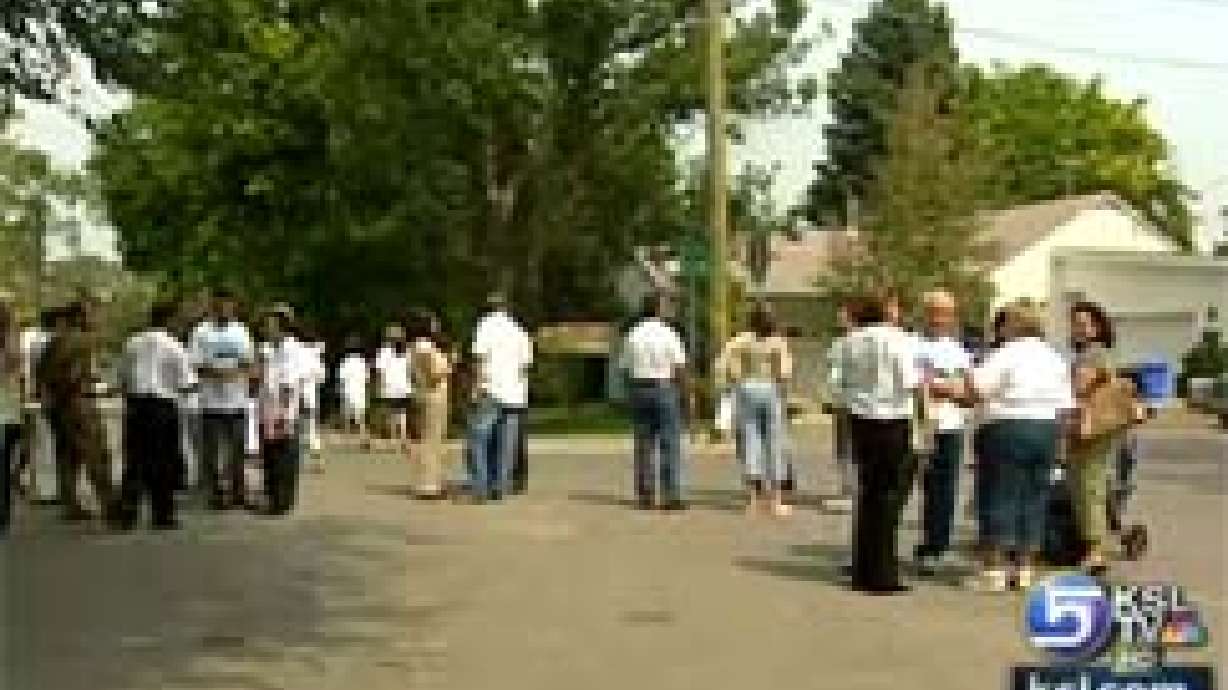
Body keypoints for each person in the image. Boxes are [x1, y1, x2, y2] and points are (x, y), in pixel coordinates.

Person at [968, 299, 1074, 592]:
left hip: (1008, 426)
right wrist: (1061, 444)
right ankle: (1025, 568)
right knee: (1034, 498)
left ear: (1012, 325)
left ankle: (995, 570)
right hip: (1046, 429)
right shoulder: (1054, 358)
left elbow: (976, 388)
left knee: (1000, 495)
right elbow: (1066, 405)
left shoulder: (1006, 353)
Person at [115, 301, 196, 530]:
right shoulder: (174, 346)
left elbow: (122, 376)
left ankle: (127, 512)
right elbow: (187, 383)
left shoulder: (132, 343)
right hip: (162, 405)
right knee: (164, 460)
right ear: (170, 320)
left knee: (135, 459)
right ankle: (162, 514)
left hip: (137, 404)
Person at [1068, 300, 1135, 572]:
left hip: (1094, 428)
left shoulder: (1093, 354)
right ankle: (1110, 537)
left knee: (1088, 485)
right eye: (1075, 324)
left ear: (1097, 328)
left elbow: (1082, 387)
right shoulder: (1096, 353)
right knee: (1094, 484)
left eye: (1083, 324)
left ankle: (1096, 550)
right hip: (1104, 428)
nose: (1078, 329)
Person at [910, 290, 973, 576]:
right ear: (924, 314)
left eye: (945, 313)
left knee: (943, 491)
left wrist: (937, 385)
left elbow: (966, 391)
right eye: (934, 312)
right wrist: (943, 385)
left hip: (950, 426)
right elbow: (913, 383)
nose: (939, 319)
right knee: (910, 488)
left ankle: (935, 548)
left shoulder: (958, 350)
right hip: (916, 425)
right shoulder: (912, 344)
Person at [37, 301, 117, 524]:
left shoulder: (56, 341)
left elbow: (44, 373)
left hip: (59, 405)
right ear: (80, 318)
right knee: (97, 453)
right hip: (77, 403)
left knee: (68, 456)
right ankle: (109, 505)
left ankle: (71, 505)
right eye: (93, 314)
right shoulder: (80, 340)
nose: (97, 318)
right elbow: (73, 374)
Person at [717, 302, 793, 517]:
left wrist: (734, 378)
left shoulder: (742, 340)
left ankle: (753, 500)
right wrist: (783, 389)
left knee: (750, 441)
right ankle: (776, 500)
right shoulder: (777, 341)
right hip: (770, 387)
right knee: (775, 442)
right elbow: (784, 372)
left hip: (747, 387)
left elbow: (725, 360)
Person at [620, 294, 688, 511]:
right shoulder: (668, 333)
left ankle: (645, 494)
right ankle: (671, 494)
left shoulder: (633, 334)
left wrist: (629, 392)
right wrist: (686, 394)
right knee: (670, 442)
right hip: (664, 387)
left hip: (639, 387)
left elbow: (625, 368)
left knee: (643, 443)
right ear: (658, 309)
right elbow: (679, 367)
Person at [190, 290, 255, 510]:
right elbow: (195, 364)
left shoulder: (241, 330)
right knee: (211, 453)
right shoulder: (201, 331)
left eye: (228, 305)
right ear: (213, 306)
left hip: (237, 402)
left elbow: (248, 361)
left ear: (234, 307)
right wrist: (217, 374)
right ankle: (215, 495)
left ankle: (238, 493)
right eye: (220, 305)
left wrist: (238, 373)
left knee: (237, 451)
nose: (224, 309)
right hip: (210, 403)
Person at [465, 292, 532, 502]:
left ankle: (481, 485)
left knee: (479, 438)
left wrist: (476, 386)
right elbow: (525, 366)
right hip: (515, 393)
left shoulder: (484, 326)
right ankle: (500, 485)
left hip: (491, 388)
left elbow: (479, 358)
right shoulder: (519, 330)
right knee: (506, 443)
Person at [256, 305, 309, 516]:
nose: (266, 328)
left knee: (283, 456)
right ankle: (274, 497)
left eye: (270, 324)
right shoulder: (273, 349)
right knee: (270, 454)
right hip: (269, 407)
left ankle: (281, 501)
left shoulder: (291, 349)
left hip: (282, 409)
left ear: (282, 326)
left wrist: (283, 413)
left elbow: (289, 383)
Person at [410, 311, 453, 499]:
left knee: (430, 438)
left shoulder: (416, 346)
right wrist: (448, 367)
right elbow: (432, 374)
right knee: (432, 439)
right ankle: (429, 484)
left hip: (425, 394)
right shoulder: (425, 347)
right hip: (434, 394)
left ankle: (431, 481)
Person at [824, 301, 856, 512]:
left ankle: (852, 492)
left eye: (844, 316)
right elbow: (833, 373)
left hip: (855, 401)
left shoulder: (858, 343)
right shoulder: (838, 343)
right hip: (842, 401)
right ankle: (847, 489)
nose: (840, 320)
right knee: (843, 446)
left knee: (852, 447)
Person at [1, 297, 22, 534]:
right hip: (6, 414)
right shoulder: (11, 349)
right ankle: (3, 514)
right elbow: (14, 364)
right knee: (4, 466)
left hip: (6, 413)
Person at [374, 324, 412, 451]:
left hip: (390, 386)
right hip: (404, 386)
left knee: (392, 414)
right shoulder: (406, 351)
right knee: (402, 413)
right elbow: (410, 369)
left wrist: (379, 384)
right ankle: (403, 438)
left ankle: (394, 440)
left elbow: (380, 370)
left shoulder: (384, 351)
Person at [337, 336, 370, 447]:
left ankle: (347, 440)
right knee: (360, 418)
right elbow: (367, 379)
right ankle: (363, 438)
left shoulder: (344, 362)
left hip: (347, 391)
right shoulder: (363, 362)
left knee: (346, 418)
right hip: (359, 392)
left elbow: (341, 378)